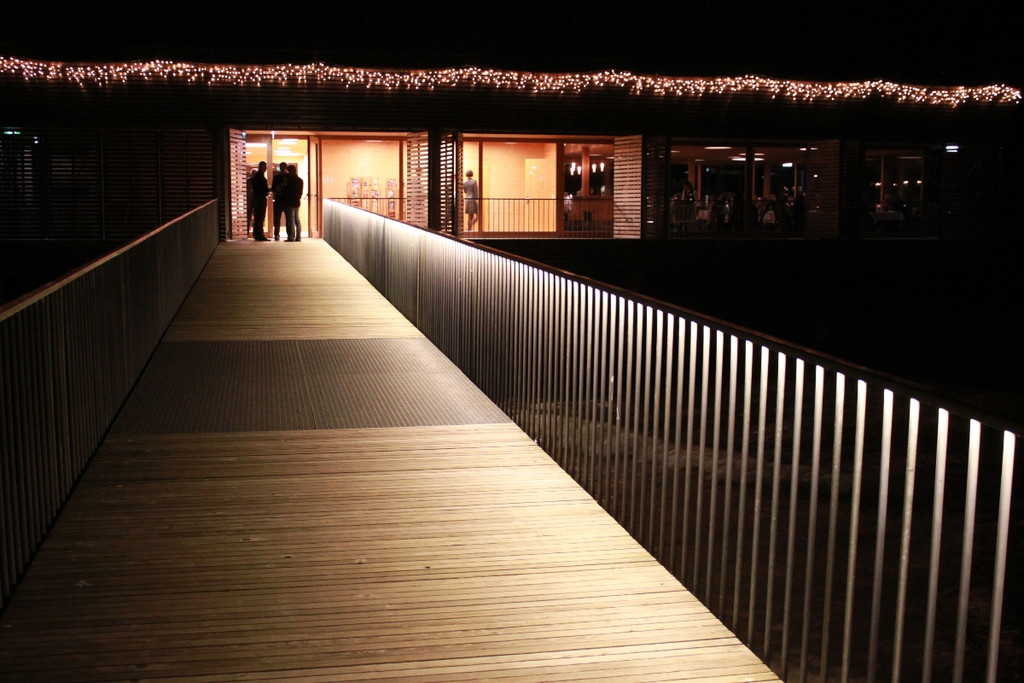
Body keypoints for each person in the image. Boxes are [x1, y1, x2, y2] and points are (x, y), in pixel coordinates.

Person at [285, 164, 304, 241]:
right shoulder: (300, 180)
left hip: (290, 201)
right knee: (297, 219)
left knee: (291, 219)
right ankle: (298, 237)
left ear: (290, 171)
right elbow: (300, 192)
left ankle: (291, 236)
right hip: (297, 201)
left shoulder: (290, 180)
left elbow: (288, 191)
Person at [270, 161, 289, 241]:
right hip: (279, 199)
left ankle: (289, 234)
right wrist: (279, 187)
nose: (282, 169)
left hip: (287, 199)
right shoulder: (276, 177)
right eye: (281, 167)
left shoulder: (289, 176)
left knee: (288, 218)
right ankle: (276, 234)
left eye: (284, 167)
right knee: (277, 218)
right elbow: (273, 188)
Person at [251, 161, 269, 241]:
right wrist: (267, 190)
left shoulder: (258, 176)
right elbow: (261, 189)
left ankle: (257, 234)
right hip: (260, 199)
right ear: (261, 167)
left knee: (258, 217)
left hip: (258, 199)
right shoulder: (260, 176)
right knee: (260, 217)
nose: (265, 168)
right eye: (264, 167)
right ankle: (259, 234)